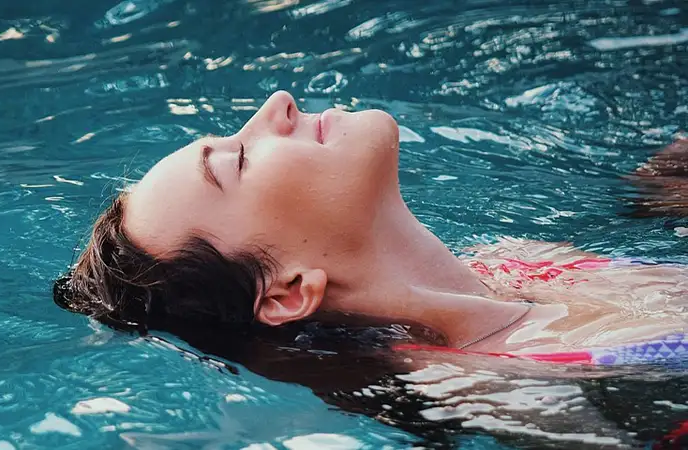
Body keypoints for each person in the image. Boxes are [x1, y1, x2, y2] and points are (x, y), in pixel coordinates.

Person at [52, 90, 687, 368]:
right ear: (285, 293)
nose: (277, 106)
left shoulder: (519, 260)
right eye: (239, 160)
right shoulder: (497, 382)